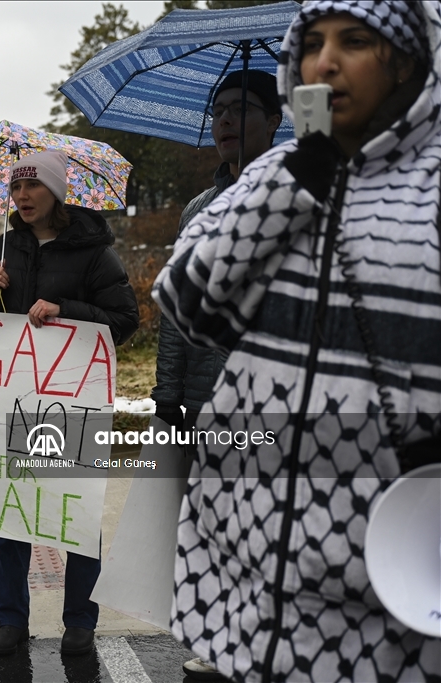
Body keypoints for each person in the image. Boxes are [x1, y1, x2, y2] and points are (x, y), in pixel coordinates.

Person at [153, 0, 441, 680]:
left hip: (392, 584)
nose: (325, 62)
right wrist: (301, 172)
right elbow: (189, 304)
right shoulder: (276, 176)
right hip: (250, 590)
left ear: (406, 61)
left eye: (356, 41)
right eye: (311, 43)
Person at [0, 150, 140, 657]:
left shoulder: (92, 250)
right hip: (15, 398)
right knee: (11, 515)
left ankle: (80, 620)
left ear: (56, 192)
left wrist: (66, 311)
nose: (21, 197)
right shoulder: (2, 248)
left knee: (76, 514)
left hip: (73, 400)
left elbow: (125, 319)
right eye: (15, 188)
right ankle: (11, 620)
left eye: (32, 187)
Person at [149, 69, 282, 683]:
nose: (226, 120)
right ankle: (223, 637)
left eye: (242, 108)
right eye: (219, 110)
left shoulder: (304, 199)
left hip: (277, 397)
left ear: (275, 119)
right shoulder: (200, 211)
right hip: (207, 398)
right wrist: (168, 395)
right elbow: (174, 317)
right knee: (215, 523)